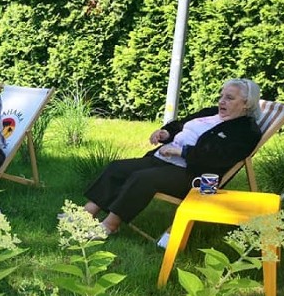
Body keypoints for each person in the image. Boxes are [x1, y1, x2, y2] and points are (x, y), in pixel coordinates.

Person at [79, 78, 262, 235]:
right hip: (164, 159)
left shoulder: (246, 131)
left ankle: (109, 225)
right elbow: (181, 124)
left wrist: (182, 151)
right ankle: (86, 215)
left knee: (142, 179)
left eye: (229, 98)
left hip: (194, 175)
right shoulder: (210, 113)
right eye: (221, 96)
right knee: (118, 167)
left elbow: (218, 158)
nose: (222, 102)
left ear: (247, 103)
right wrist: (166, 133)